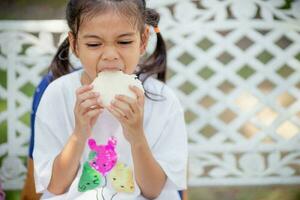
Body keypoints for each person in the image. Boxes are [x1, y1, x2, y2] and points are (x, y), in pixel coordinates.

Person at [33, 0, 188, 199]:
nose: (110, 55)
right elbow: (55, 186)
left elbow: (154, 190)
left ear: (142, 41)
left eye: (124, 42)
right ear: (74, 44)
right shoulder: (57, 95)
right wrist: (79, 134)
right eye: (94, 44)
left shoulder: (163, 101)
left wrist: (137, 136)